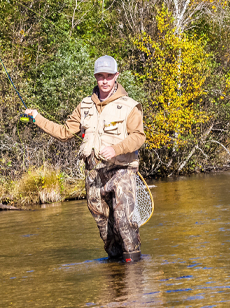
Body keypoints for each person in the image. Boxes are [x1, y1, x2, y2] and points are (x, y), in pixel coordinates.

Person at [25, 55, 146, 262]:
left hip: (122, 171)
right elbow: (64, 132)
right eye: (101, 76)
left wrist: (116, 148)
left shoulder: (130, 106)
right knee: (104, 227)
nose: (105, 81)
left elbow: (139, 137)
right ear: (96, 77)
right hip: (94, 175)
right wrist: (37, 118)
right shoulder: (84, 106)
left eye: (109, 76)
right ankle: (116, 270)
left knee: (124, 222)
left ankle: (133, 267)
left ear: (117, 76)